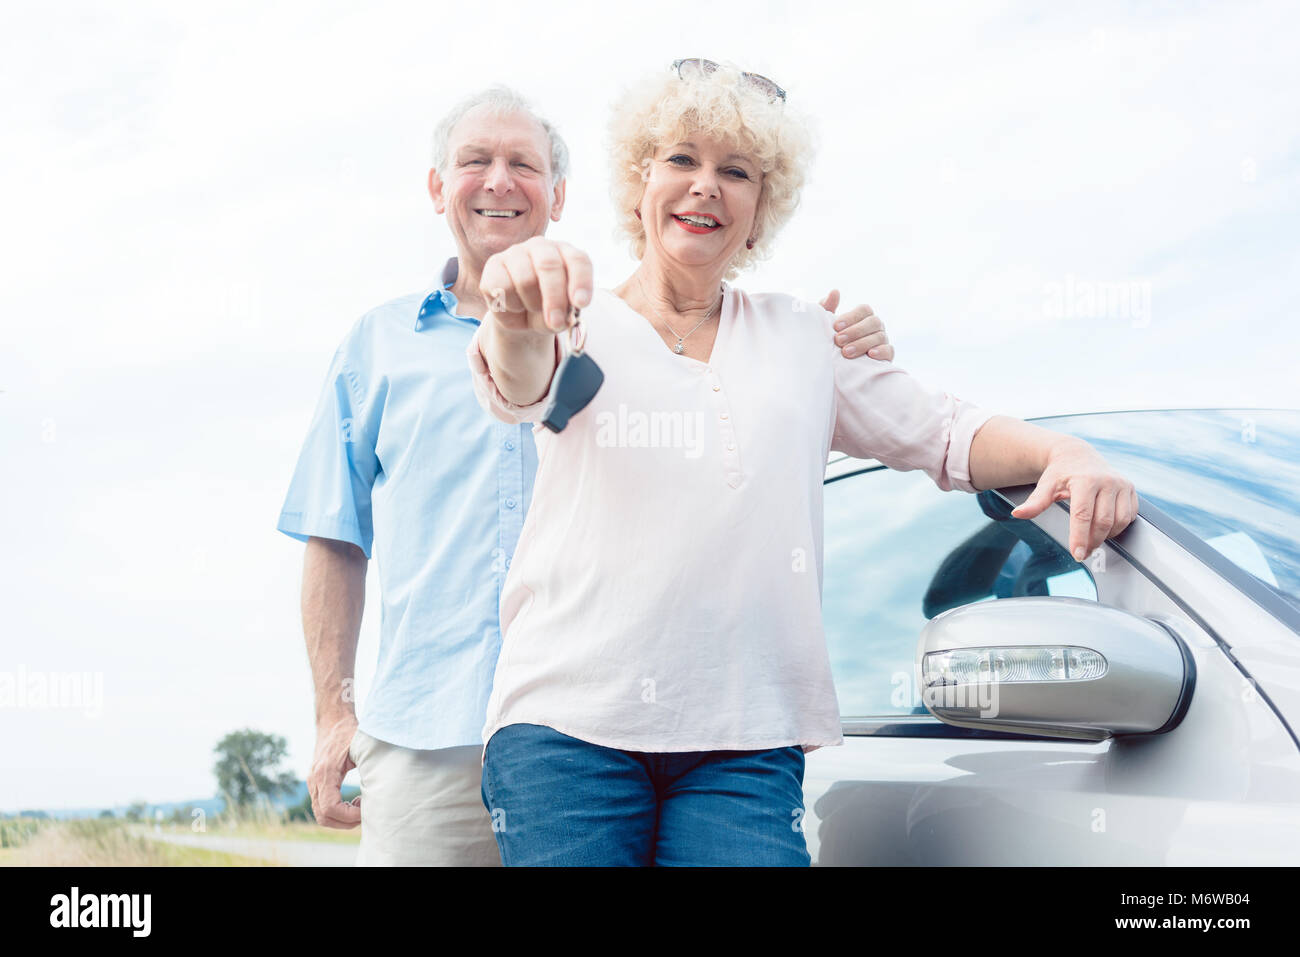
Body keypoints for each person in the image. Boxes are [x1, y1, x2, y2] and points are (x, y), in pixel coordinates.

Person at [467, 61, 1138, 866]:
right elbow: (518, 378)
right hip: (564, 732)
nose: (705, 186)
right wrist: (511, 304)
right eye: (682, 160)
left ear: (760, 211)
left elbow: (948, 432)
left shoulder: (804, 340)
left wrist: (1064, 451)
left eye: (735, 172)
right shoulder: (569, 316)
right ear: (639, 182)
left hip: (747, 742)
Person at [276, 84, 896, 866]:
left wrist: (828, 344)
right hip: (430, 731)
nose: (500, 180)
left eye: (523, 165)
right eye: (475, 162)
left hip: (605, 726)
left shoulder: (623, 330)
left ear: (560, 195)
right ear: (437, 188)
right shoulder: (377, 346)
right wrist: (335, 715)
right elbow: (335, 535)